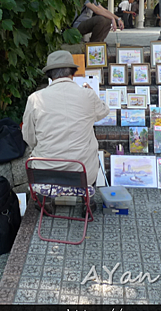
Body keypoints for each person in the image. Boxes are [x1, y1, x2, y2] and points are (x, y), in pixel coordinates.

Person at [22, 51, 110, 211]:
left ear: (49, 74)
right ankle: (86, 202)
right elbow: (103, 112)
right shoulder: (87, 95)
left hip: (45, 176)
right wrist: (92, 93)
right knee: (91, 154)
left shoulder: (35, 98)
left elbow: (28, 136)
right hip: (82, 174)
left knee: (38, 155)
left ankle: (47, 201)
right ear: (73, 73)